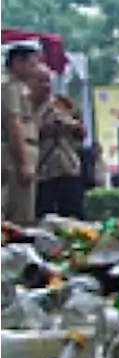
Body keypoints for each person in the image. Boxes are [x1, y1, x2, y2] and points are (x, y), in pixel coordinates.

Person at [30, 65, 85, 218]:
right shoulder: (25, 107)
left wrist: (70, 127)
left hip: (68, 167)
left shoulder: (63, 103)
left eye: (48, 81)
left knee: (74, 217)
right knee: (43, 217)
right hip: (41, 171)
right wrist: (44, 130)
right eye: (40, 81)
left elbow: (82, 133)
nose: (45, 86)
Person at [0, 43, 41, 223]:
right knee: (19, 212)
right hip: (14, 153)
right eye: (32, 65)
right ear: (17, 62)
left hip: (25, 148)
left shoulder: (20, 87)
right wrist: (24, 162)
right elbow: (13, 123)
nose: (35, 69)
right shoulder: (9, 86)